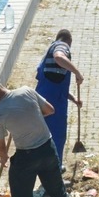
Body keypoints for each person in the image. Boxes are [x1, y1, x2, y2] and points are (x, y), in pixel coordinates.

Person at [35, 29, 84, 169]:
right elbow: (59, 57)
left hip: (44, 98)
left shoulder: (47, 54)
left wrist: (73, 99)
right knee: (56, 136)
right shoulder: (62, 46)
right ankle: (54, 167)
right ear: (69, 41)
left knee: (43, 136)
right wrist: (77, 72)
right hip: (53, 105)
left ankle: (47, 165)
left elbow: (58, 85)